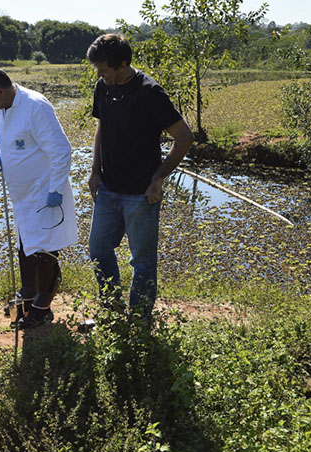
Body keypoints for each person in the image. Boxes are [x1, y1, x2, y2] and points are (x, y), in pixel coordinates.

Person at [86, 34, 194, 319]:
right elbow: (102, 128)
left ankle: (139, 320)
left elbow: (184, 137)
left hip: (141, 194)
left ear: (122, 64)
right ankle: (112, 310)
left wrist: (159, 178)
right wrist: (95, 170)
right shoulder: (103, 87)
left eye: (104, 69)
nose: (99, 75)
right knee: (98, 250)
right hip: (108, 189)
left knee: (142, 261)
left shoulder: (149, 92)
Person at [0, 65, 77, 329]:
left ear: (0, 91)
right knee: (26, 246)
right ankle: (28, 293)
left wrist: (56, 190)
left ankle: (43, 305)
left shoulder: (35, 106)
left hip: (44, 193)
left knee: (45, 249)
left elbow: (61, 150)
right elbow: (1, 141)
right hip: (21, 195)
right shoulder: (0, 110)